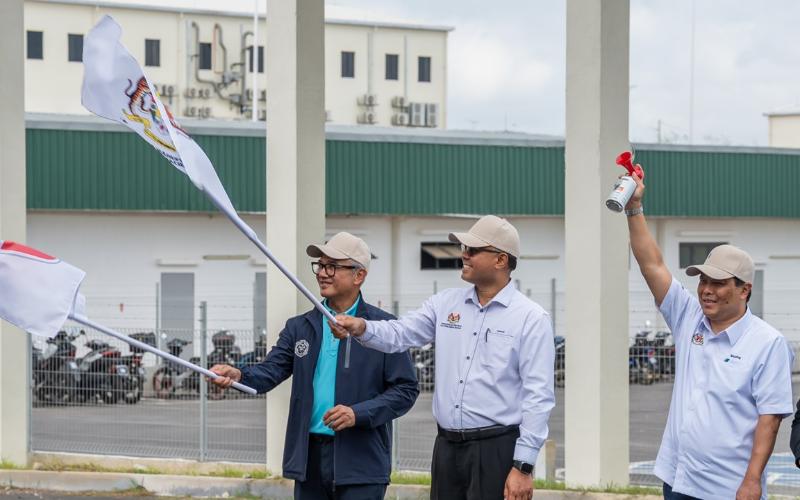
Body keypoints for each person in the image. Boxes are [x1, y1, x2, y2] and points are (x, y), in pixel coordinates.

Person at [330, 215, 555, 500]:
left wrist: (523, 466)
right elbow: (401, 333)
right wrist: (361, 327)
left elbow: (539, 396)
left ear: (500, 260)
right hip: (447, 448)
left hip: (497, 449)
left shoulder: (530, 318)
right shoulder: (445, 304)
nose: (464, 254)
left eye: (473, 250)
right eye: (464, 248)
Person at [209, 232, 419, 500]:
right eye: (320, 265)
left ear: (359, 276)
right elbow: (269, 372)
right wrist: (238, 374)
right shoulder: (300, 327)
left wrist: (358, 413)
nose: (322, 273)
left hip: (362, 461)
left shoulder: (383, 329)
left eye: (332, 266)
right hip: (309, 459)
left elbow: (405, 390)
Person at [623, 172, 794, 500]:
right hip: (678, 479)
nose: (706, 291)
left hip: (726, 489)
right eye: (703, 281)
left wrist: (752, 481)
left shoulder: (767, 344)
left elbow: (769, 420)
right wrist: (635, 208)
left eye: (718, 283)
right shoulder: (689, 317)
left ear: (745, 290)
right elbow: (652, 265)